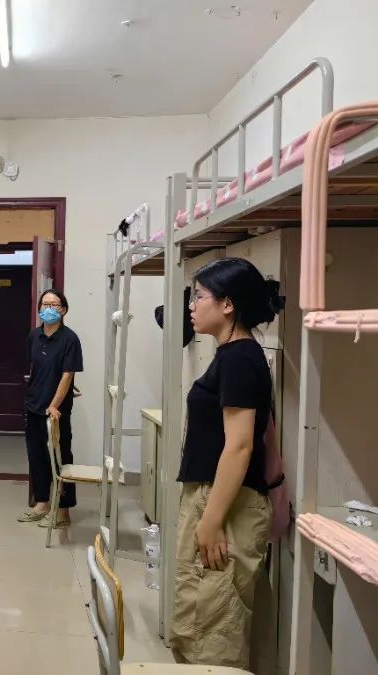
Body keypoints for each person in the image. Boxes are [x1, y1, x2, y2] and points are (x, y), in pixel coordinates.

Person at [171, 258, 280, 669]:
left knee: (210, 626)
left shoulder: (239, 359)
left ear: (228, 304)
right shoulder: (234, 354)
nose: (192, 306)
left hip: (225, 505)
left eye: (199, 296)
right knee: (206, 616)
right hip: (216, 498)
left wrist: (212, 520)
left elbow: (239, 446)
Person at [18, 289, 82, 529]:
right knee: (36, 456)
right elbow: (36, 368)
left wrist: (54, 404)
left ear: (63, 310)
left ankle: (64, 511)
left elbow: (67, 375)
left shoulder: (70, 339)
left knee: (61, 457)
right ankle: (42, 503)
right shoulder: (34, 336)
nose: (49, 308)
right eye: (45, 304)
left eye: (55, 305)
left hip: (57, 411)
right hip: (34, 405)